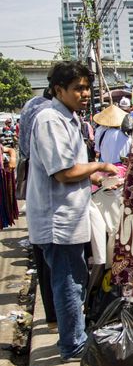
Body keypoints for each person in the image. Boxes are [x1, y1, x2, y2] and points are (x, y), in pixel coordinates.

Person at [26, 61, 119, 361]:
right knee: (68, 282)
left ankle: (74, 337)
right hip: (58, 220)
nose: (85, 93)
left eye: (86, 87)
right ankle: (73, 345)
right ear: (58, 90)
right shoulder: (51, 120)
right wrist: (101, 165)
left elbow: (73, 168)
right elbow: (64, 173)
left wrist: (98, 178)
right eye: (77, 88)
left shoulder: (68, 119)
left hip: (70, 216)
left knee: (75, 278)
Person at [18, 92, 55, 325]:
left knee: (46, 262)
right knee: (56, 267)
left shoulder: (31, 107)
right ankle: (56, 320)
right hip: (50, 200)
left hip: (38, 192)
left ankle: (53, 317)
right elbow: (62, 171)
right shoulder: (49, 116)